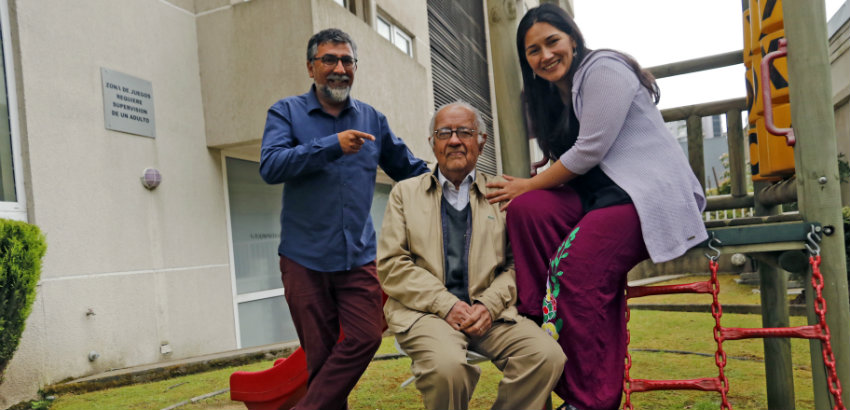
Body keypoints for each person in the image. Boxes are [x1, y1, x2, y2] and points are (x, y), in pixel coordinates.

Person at [485, 5, 708, 410]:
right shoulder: (549, 94)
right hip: (594, 198)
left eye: (552, 42)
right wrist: (527, 189)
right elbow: (564, 165)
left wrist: (527, 183)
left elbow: (590, 150)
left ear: (573, 37)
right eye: (533, 51)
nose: (546, 55)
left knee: (577, 271)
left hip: (640, 195)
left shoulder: (603, 68)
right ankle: (536, 317)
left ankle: (590, 401)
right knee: (528, 210)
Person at [259, 28, 428, 410]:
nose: (339, 68)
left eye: (347, 60)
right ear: (310, 67)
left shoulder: (373, 119)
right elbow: (270, 166)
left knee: (367, 336)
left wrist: (457, 175)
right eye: (329, 60)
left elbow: (409, 169)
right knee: (319, 360)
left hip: (358, 259)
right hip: (304, 259)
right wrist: (331, 146)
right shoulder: (285, 112)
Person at [378, 101, 566, 410]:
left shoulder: (500, 193)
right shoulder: (405, 194)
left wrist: (489, 306)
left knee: (545, 356)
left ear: (481, 141)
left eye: (465, 132)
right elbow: (392, 265)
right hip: (426, 313)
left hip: (488, 314)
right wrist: (446, 304)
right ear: (432, 143)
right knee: (447, 369)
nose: (454, 140)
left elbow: (516, 265)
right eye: (444, 133)